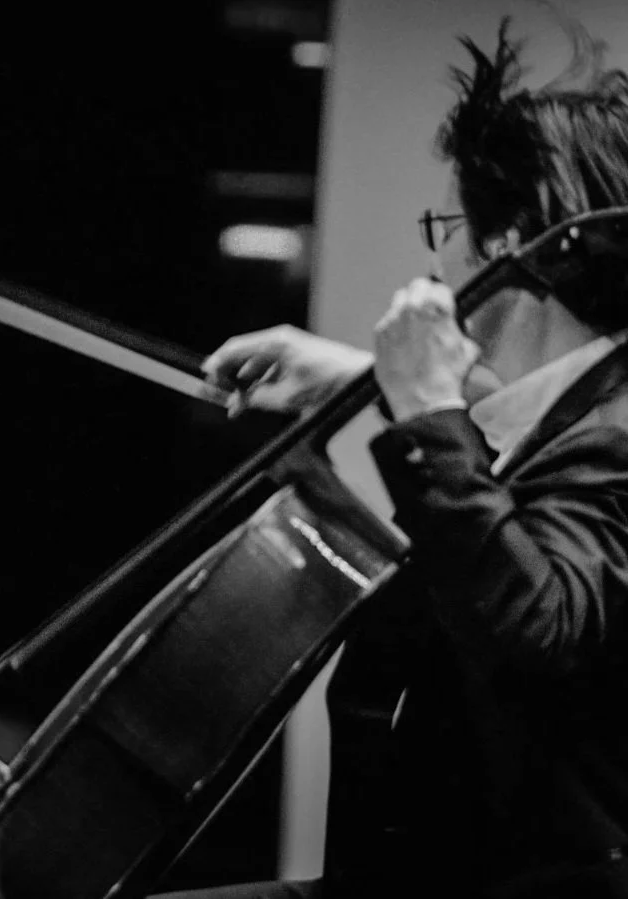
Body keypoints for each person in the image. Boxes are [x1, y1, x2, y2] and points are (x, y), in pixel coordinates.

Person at [159, 18, 628, 899]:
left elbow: (536, 622)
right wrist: (367, 379)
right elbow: (510, 468)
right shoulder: (574, 408)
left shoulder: (614, 431)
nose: (436, 252)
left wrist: (422, 407)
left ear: (507, 241)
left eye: (444, 223)